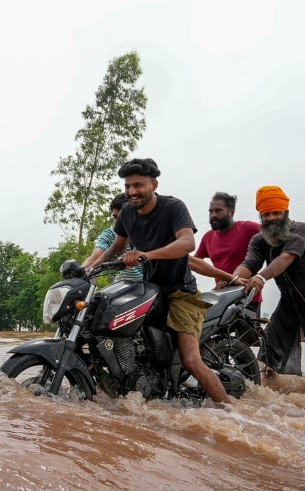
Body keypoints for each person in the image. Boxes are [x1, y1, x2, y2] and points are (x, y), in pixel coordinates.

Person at [101, 158, 233, 406]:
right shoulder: (128, 212)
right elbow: (115, 248)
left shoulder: (173, 207)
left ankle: (231, 412)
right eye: (127, 186)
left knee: (191, 360)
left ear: (154, 184)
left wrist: (146, 255)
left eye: (138, 185)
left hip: (180, 292)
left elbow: (187, 243)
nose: (131, 192)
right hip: (150, 291)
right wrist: (86, 269)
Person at [231, 186, 305, 379]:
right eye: (266, 214)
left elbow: (285, 258)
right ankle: (272, 396)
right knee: (269, 352)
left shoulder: (301, 230)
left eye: (276, 213)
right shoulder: (258, 240)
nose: (271, 218)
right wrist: (234, 278)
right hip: (289, 302)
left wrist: (261, 277)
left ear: (286, 213)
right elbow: (249, 263)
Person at [189, 192, 263, 314]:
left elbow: (271, 233)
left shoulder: (248, 228)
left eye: (218, 211)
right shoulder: (208, 237)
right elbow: (195, 261)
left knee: (248, 333)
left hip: (247, 297)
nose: (213, 215)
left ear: (232, 212)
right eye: (211, 211)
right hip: (222, 298)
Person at [81, 193, 143, 281]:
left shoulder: (148, 233)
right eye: (115, 217)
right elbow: (95, 257)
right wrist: (81, 273)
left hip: (154, 288)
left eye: (122, 218)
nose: (118, 222)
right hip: (126, 288)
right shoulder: (110, 234)